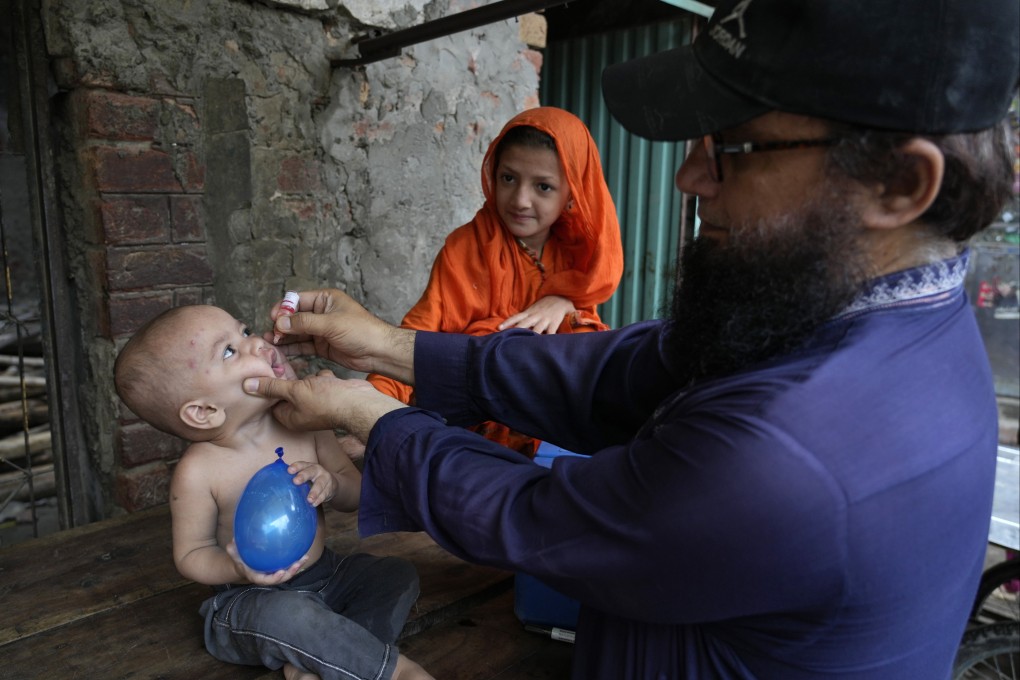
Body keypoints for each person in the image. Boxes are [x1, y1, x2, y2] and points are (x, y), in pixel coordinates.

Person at [243, 0, 1019, 677]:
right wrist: (385, 347)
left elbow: (542, 516)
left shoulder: (796, 450)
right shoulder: (832, 309)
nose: (689, 179)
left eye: (732, 149)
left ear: (896, 185)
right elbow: (622, 369)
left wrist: (368, 418)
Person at [113, 304, 433, 680]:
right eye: (229, 351)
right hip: (252, 599)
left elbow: (358, 494)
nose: (255, 343)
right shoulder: (198, 471)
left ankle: (320, 657)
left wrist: (332, 485)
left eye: (245, 330)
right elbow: (191, 554)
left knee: (395, 574)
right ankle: (387, 670)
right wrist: (237, 568)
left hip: (326, 576)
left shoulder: (307, 425)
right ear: (204, 411)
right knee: (289, 615)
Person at [366, 106, 624, 457]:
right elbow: (418, 337)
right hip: (470, 425)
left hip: (549, 429)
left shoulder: (577, 253)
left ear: (572, 193)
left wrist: (566, 302)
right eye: (508, 178)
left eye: (544, 187)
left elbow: (579, 356)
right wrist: (370, 410)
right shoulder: (466, 249)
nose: (520, 200)